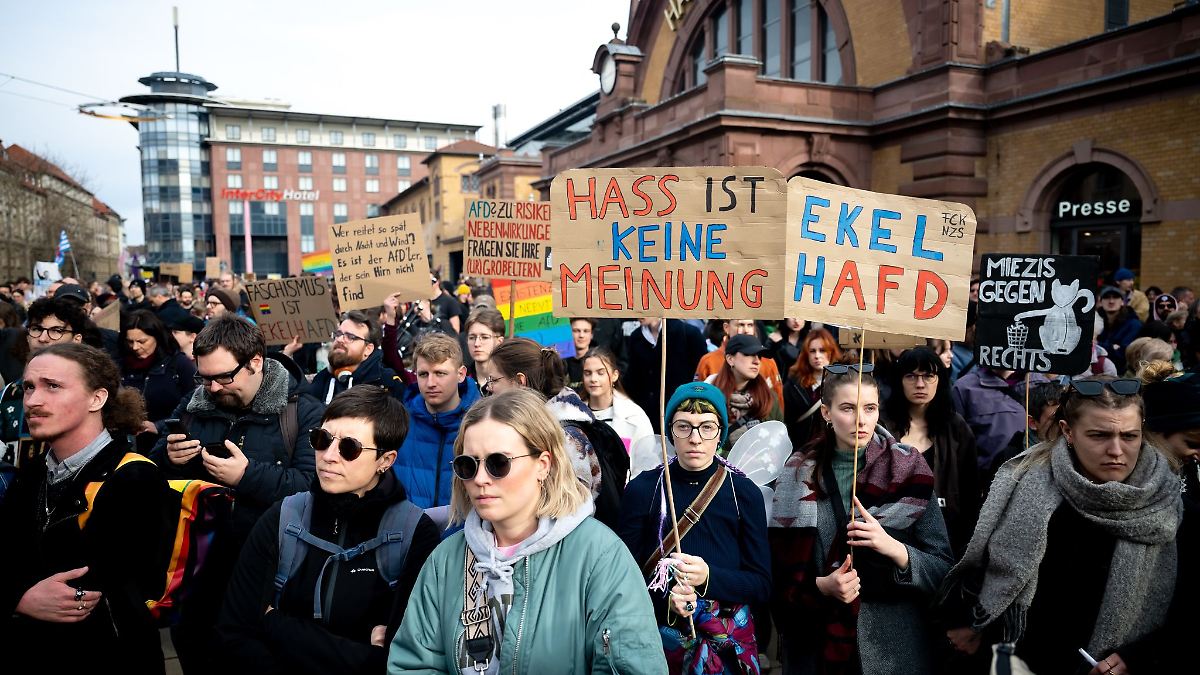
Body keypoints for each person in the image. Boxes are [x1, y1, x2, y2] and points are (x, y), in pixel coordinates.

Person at [387, 389, 667, 674]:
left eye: (499, 463)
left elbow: (633, 665)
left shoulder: (600, 556)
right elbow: (412, 664)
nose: (481, 479)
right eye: (467, 465)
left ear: (542, 465)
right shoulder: (445, 560)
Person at [941, 376, 1183, 675]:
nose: (1117, 450)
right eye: (1099, 435)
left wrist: (1138, 656)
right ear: (1068, 431)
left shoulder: (1168, 498)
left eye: (1130, 436)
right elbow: (977, 560)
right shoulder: (1024, 480)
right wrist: (970, 621)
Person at [217, 386, 439, 675]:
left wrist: (275, 623)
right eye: (321, 440)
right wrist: (358, 650)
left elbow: (396, 663)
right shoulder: (283, 517)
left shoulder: (414, 533)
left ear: (385, 460)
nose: (329, 456)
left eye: (349, 448)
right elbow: (234, 634)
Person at [150, 314, 323, 672]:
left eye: (223, 377)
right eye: (204, 377)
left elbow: (313, 487)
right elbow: (152, 469)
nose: (212, 388)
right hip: (199, 574)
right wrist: (168, 457)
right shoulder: (195, 403)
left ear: (255, 361)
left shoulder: (302, 412)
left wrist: (247, 476)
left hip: (269, 576)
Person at [770, 365, 953, 675]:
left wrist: (896, 549)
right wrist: (821, 586)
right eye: (847, 408)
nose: (861, 420)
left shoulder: (908, 469)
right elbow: (775, 574)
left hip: (894, 650)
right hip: (815, 646)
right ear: (826, 412)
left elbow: (943, 569)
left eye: (870, 408)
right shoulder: (796, 473)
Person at [0, 343, 165, 672]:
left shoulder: (134, 477)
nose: (32, 400)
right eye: (29, 387)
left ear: (97, 398)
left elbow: (86, 589)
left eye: (53, 386)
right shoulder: (31, 474)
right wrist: (20, 598)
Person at [617, 381, 771, 673]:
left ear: (720, 433)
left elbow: (761, 585)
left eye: (707, 427)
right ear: (670, 431)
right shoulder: (644, 490)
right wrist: (667, 600)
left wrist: (708, 577)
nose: (696, 438)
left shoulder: (743, 494)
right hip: (660, 645)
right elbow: (624, 578)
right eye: (684, 426)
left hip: (726, 647)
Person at [883, 347, 980, 557]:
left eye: (928, 376)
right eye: (911, 376)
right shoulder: (882, 427)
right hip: (892, 536)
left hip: (948, 535)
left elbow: (970, 493)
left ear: (940, 379)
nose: (920, 384)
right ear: (899, 380)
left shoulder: (956, 428)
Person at [481, 337, 601, 499]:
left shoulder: (567, 438)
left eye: (493, 380)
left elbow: (575, 508)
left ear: (519, 381)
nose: (488, 387)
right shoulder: (526, 426)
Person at [392, 332, 481, 510]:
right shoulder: (399, 423)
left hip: (462, 532)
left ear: (461, 374)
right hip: (410, 531)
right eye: (423, 374)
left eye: (440, 373)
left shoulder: (481, 424)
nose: (430, 383)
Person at [119, 309, 197, 449]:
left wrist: (159, 425)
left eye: (142, 341)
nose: (135, 347)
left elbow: (194, 406)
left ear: (157, 337)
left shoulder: (179, 365)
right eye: (130, 342)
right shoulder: (122, 366)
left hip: (168, 445)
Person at [952, 365, 1048, 471]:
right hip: (983, 480)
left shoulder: (1044, 386)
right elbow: (952, 445)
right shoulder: (964, 387)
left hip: (1034, 477)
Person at [302, 310, 406, 404]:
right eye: (338, 334)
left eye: (350, 337)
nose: (340, 339)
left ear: (368, 349)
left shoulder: (387, 383)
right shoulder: (322, 379)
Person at [626, 318, 708, 433]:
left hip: (682, 413)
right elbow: (634, 378)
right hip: (647, 418)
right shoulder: (636, 336)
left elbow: (701, 375)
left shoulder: (688, 333)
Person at [708, 334, 784, 446]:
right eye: (749, 354)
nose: (757, 361)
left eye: (759, 356)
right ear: (730, 359)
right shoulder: (710, 398)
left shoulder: (769, 398)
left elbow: (779, 441)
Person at [695, 319, 784, 408]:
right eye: (740, 325)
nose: (746, 330)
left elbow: (778, 401)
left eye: (750, 325)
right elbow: (696, 402)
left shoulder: (768, 361)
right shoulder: (708, 361)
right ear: (726, 328)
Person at [580, 346, 653, 451]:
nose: (593, 379)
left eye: (601, 373)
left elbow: (648, 459)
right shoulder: (573, 414)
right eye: (588, 373)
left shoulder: (634, 416)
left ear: (614, 375)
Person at [783, 328, 841, 453]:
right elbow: (787, 422)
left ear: (831, 352)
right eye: (812, 351)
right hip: (801, 451)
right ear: (806, 354)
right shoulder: (793, 385)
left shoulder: (842, 382)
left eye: (822, 350)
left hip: (832, 450)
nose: (817, 356)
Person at [1098, 285, 1143, 373]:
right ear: (1101, 302)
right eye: (1107, 298)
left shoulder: (1133, 324)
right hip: (1098, 372)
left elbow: (1124, 354)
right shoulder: (1096, 322)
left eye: (1115, 297)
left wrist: (1099, 346)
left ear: (1122, 302)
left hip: (1123, 375)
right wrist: (1112, 347)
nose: (1111, 301)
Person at [462, 307, 505, 380]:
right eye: (472, 337)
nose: (477, 344)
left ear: (499, 341)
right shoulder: (461, 379)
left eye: (485, 337)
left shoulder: (509, 379)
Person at [564, 317, 595, 393]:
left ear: (591, 335)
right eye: (576, 331)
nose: (581, 335)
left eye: (586, 331)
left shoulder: (599, 362)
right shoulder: (560, 363)